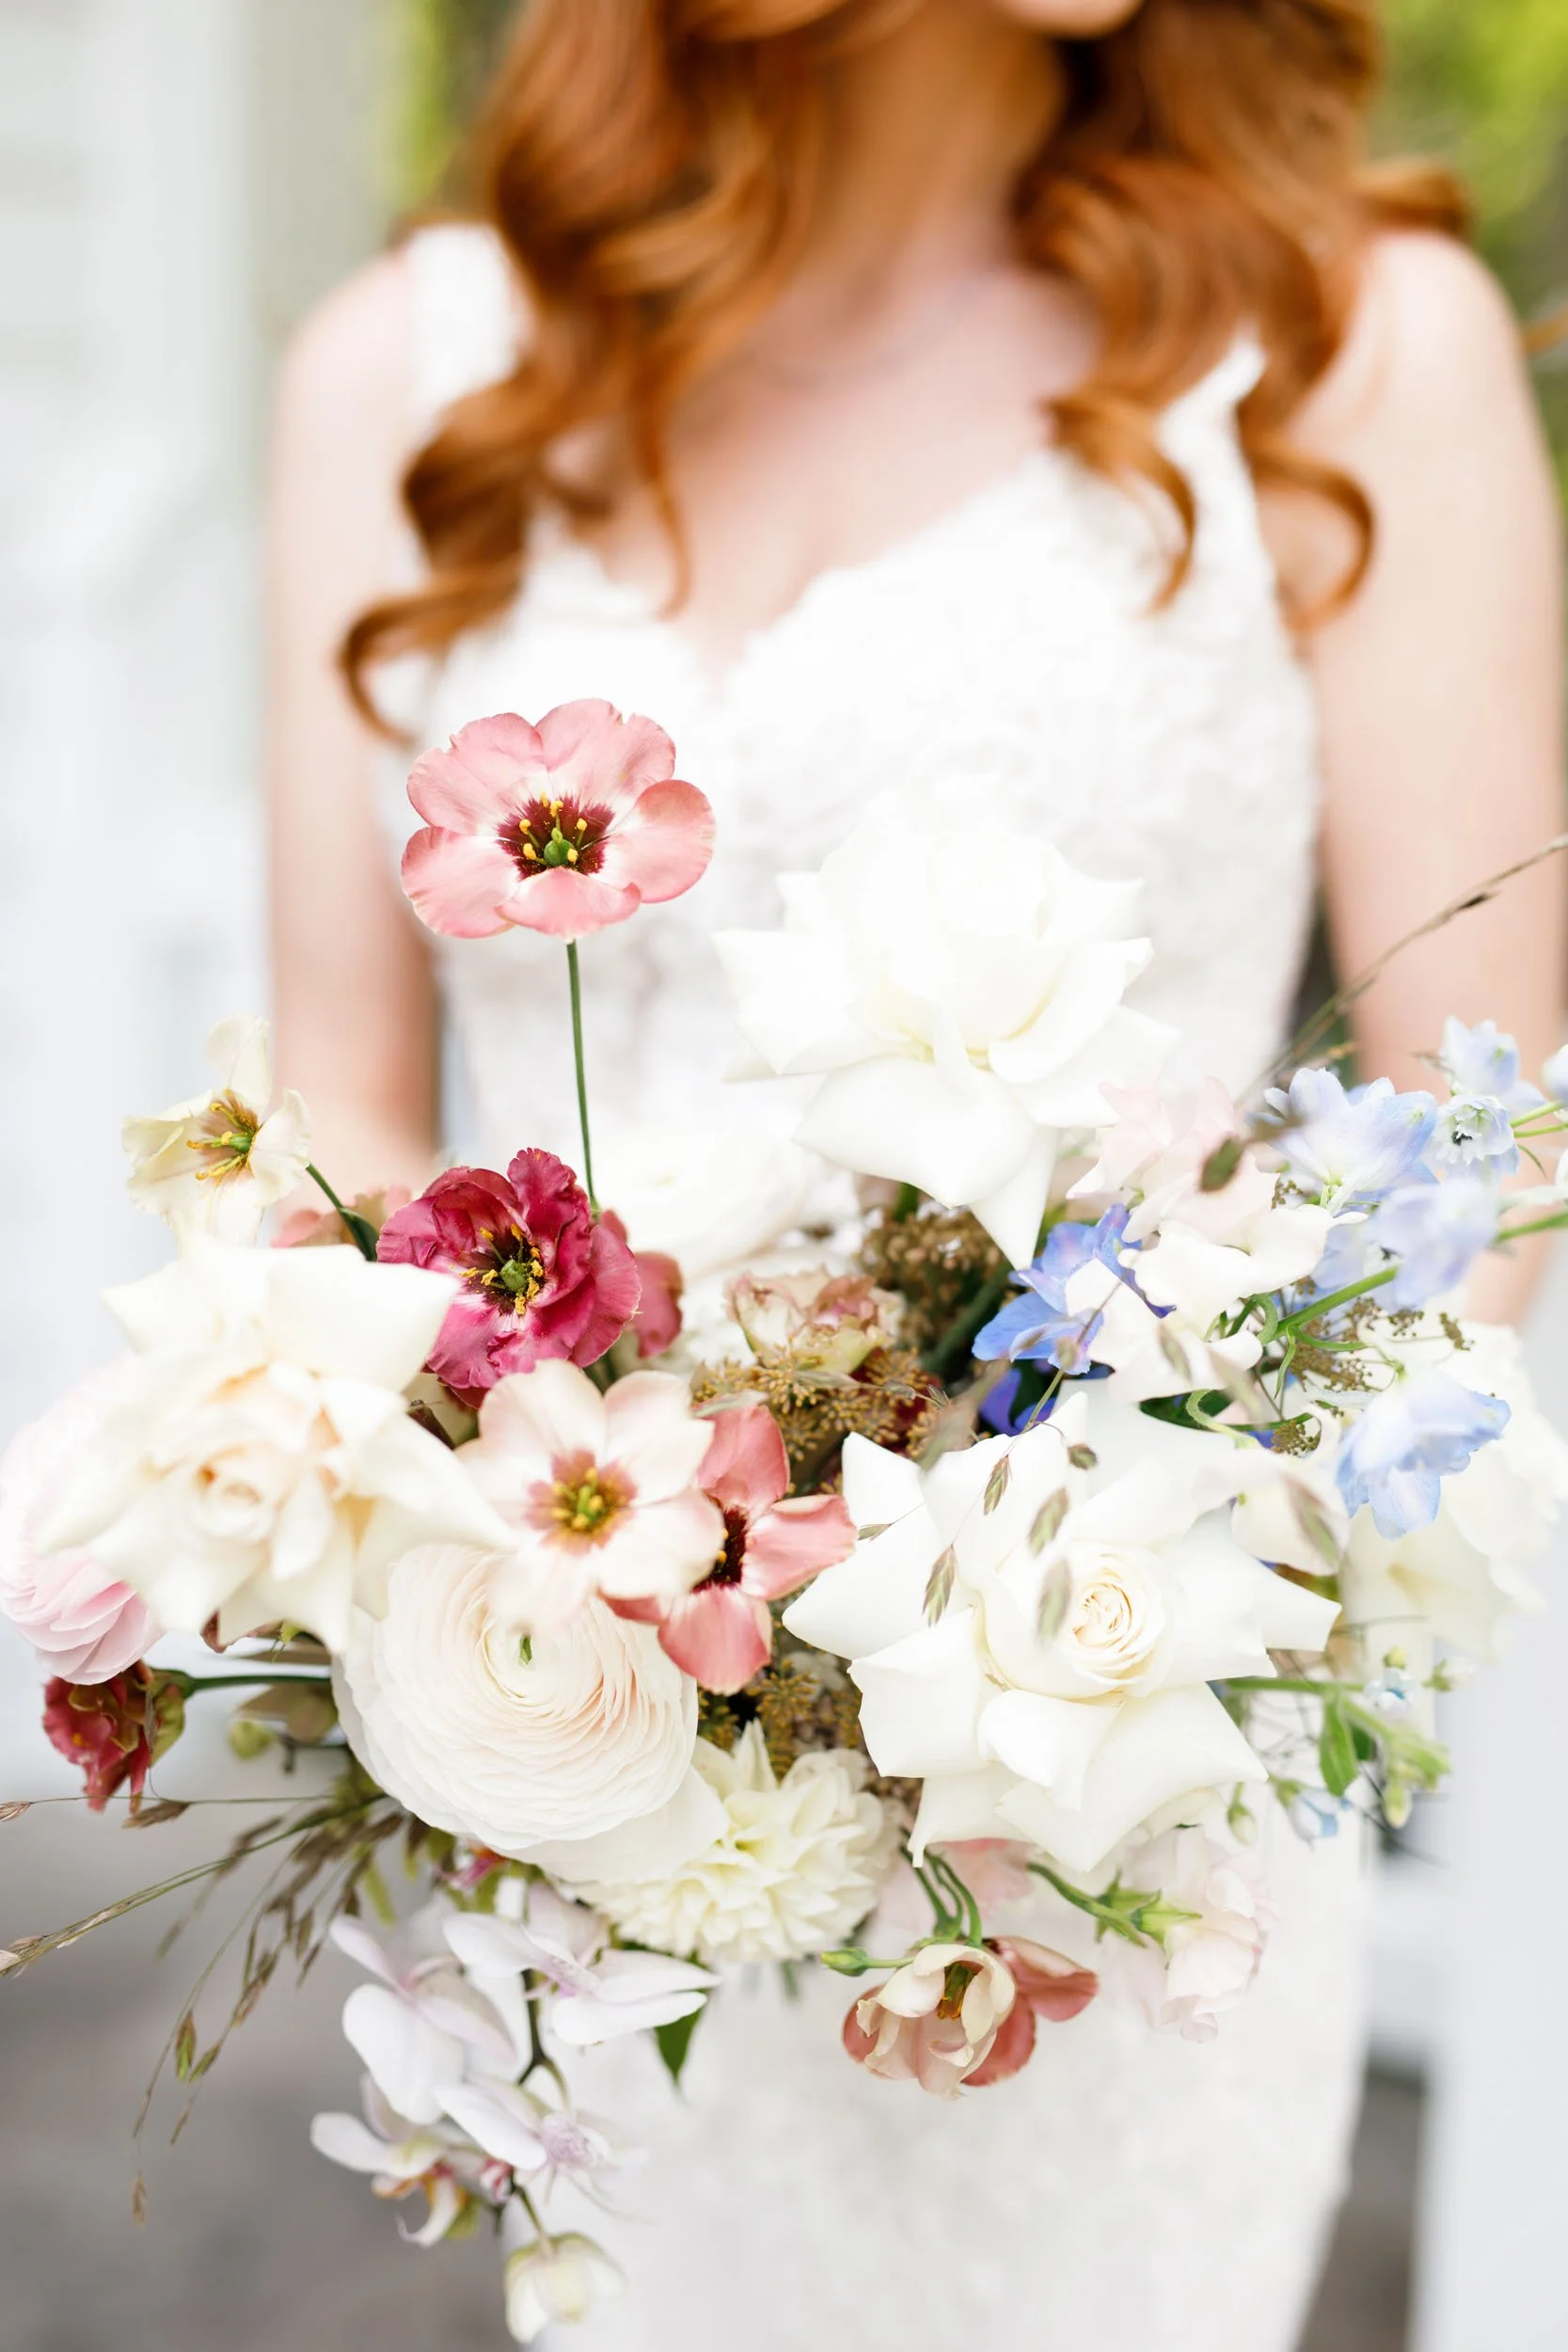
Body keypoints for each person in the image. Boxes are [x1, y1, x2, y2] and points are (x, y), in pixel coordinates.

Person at [268, 3, 1564, 2344]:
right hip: (579, 1792)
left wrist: (1090, 1628)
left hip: (1080, 1804)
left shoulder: (1341, 350)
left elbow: (1486, 1158)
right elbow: (348, 1120)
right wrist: (471, 1581)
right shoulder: (407, 373)